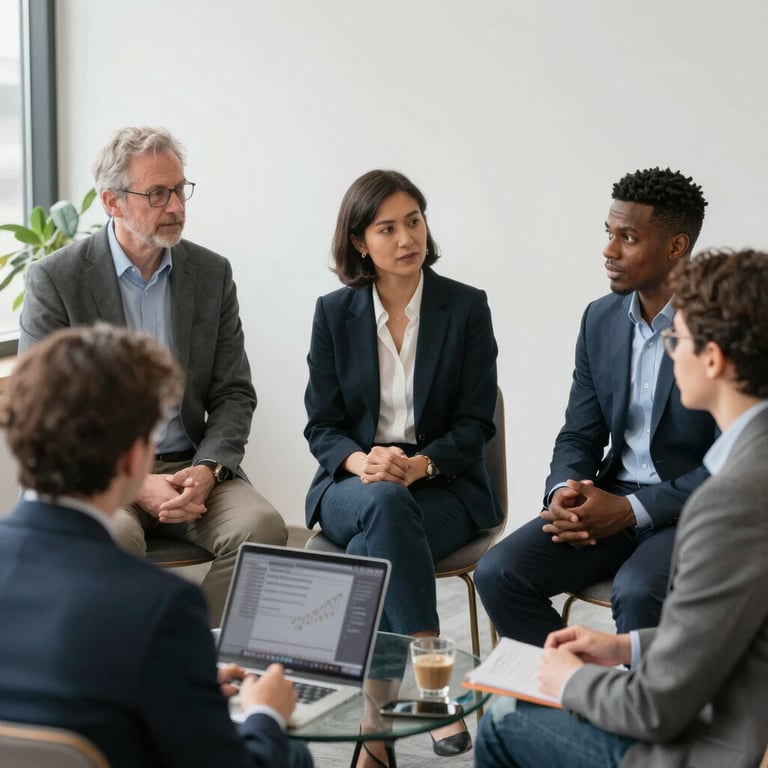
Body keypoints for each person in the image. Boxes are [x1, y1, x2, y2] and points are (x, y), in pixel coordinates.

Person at [475, 247, 768, 768]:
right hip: (713, 699)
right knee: (501, 571)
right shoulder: (753, 463)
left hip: (714, 746)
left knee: (502, 722)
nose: (667, 351)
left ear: (714, 359)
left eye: (676, 339)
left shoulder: (730, 502)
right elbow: (728, 629)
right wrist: (627, 650)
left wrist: (572, 681)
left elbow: (656, 710)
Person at [0, 324, 313, 768]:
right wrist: (265, 712)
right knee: (292, 754)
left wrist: (179, 679)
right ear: (134, 457)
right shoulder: (159, 605)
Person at [18, 126, 287, 626]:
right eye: (157, 194)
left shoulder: (211, 274)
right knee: (110, 536)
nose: (176, 207)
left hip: (192, 467)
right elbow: (48, 410)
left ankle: (200, 655)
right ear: (112, 202)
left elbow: (233, 391)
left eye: (180, 189)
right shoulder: (57, 279)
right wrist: (136, 482)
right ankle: (135, 666)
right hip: (102, 473)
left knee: (264, 527)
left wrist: (206, 471)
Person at [303, 169, 501, 761]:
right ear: (360, 242)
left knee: (375, 554)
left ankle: (374, 731)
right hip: (353, 483)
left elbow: (475, 424)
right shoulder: (333, 313)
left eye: (413, 220)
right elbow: (323, 426)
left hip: (442, 485)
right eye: (386, 227)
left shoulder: (465, 307)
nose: (406, 237)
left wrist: (421, 466)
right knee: (383, 506)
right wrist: (367, 463)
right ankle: (433, 685)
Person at [475, 167, 717, 644]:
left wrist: (630, 510)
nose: (609, 250)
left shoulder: (716, 325)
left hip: (693, 513)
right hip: (609, 497)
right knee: (499, 572)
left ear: (676, 246)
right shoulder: (600, 319)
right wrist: (564, 490)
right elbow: (580, 433)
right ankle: (569, 700)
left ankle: (636, 711)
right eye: (609, 233)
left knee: (639, 590)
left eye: (628, 237)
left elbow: (732, 463)